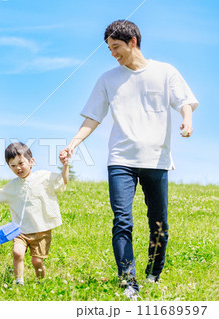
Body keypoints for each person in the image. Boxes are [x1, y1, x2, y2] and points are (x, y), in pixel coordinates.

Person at [59, 20, 198, 300]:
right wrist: (73, 143)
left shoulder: (165, 71)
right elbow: (93, 116)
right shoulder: (108, 79)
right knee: (122, 220)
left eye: (116, 47)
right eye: (109, 48)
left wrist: (187, 119)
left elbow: (184, 100)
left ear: (132, 41)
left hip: (156, 158)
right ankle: (128, 281)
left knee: (158, 223)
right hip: (120, 158)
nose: (113, 53)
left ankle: (152, 276)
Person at [0, 142, 69, 285]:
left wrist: (65, 165)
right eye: (13, 165)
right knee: (17, 253)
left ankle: (40, 282)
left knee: (37, 262)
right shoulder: (13, 185)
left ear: (31, 161)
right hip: (20, 230)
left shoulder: (44, 177)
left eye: (21, 163)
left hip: (41, 230)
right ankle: (19, 281)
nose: (18, 168)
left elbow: (63, 181)